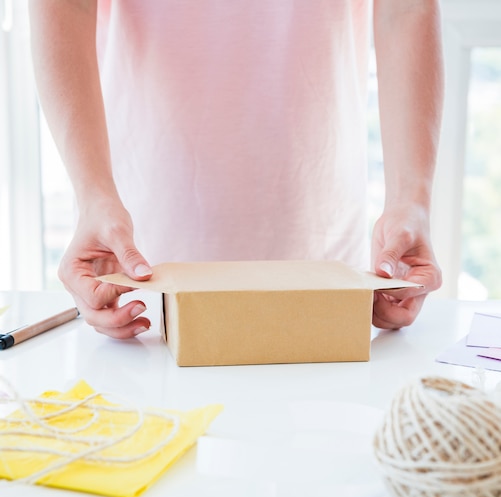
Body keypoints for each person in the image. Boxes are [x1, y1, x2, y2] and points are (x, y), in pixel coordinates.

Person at [28, 0, 443, 340]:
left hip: (324, 253)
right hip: (137, 257)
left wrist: (411, 202)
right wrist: (93, 198)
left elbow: (405, 9)